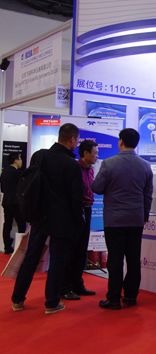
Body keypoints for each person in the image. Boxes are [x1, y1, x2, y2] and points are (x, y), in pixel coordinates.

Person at [11, 123, 83, 314]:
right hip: (62, 219)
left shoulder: (39, 156)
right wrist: (78, 222)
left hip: (38, 215)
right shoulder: (72, 165)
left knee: (31, 258)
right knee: (58, 261)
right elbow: (76, 199)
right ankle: (51, 303)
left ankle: (18, 300)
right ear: (72, 139)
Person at [92, 128, 153, 310]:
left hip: (114, 219)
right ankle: (131, 296)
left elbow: (96, 188)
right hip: (135, 219)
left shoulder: (109, 163)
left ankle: (113, 298)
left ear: (120, 142)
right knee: (133, 259)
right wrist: (144, 215)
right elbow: (148, 195)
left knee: (115, 260)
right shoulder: (145, 165)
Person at [60, 140, 99, 300]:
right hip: (76, 211)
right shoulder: (75, 168)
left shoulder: (90, 169)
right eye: (95, 153)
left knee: (82, 249)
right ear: (85, 153)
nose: (97, 156)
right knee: (72, 249)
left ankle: (77, 284)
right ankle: (65, 287)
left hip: (87, 210)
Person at [1, 153, 25, 254]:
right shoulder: (18, 173)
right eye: (20, 159)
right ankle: (20, 246)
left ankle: (7, 246)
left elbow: (2, 189)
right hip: (16, 201)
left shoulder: (4, 173)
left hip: (6, 201)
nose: (21, 162)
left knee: (7, 224)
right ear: (15, 161)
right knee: (21, 223)